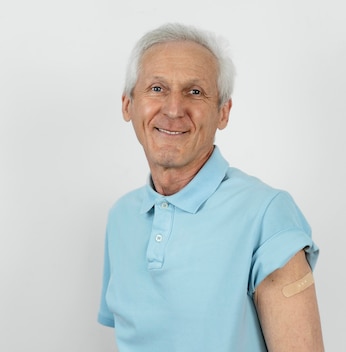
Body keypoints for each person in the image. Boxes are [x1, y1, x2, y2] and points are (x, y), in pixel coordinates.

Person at [97, 23, 324, 351]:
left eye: (195, 91)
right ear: (128, 104)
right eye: (157, 88)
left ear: (223, 111)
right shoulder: (122, 217)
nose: (174, 109)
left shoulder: (267, 214)